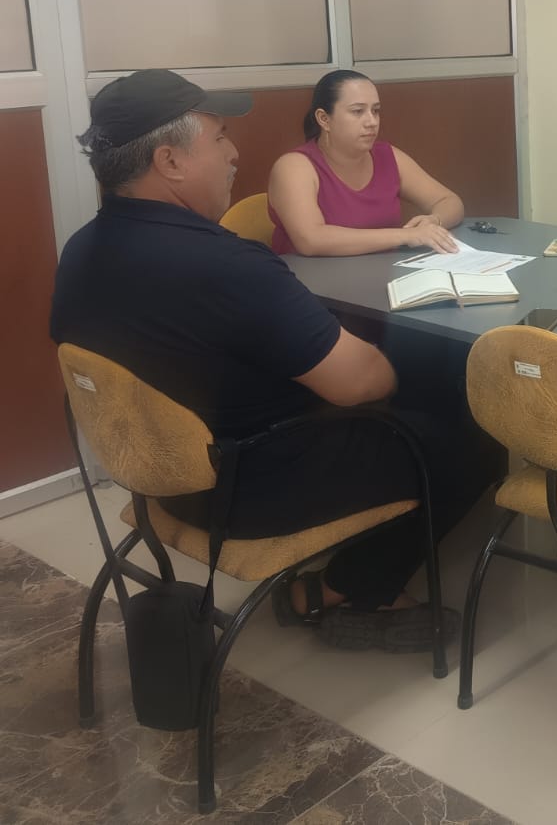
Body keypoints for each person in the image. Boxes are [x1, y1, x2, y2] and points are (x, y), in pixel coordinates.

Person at [51, 69, 499, 651]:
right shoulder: (228, 266)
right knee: (470, 439)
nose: (234, 154)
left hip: (161, 476)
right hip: (253, 483)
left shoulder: (80, 250)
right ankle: (343, 589)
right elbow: (362, 384)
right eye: (219, 138)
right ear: (169, 161)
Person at [268, 69, 464, 257]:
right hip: (308, 278)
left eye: (375, 111)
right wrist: (406, 235)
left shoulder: (388, 156)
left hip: (384, 274)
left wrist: (434, 220)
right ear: (324, 119)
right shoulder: (294, 166)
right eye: (358, 111)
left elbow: (449, 201)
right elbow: (311, 239)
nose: (372, 122)